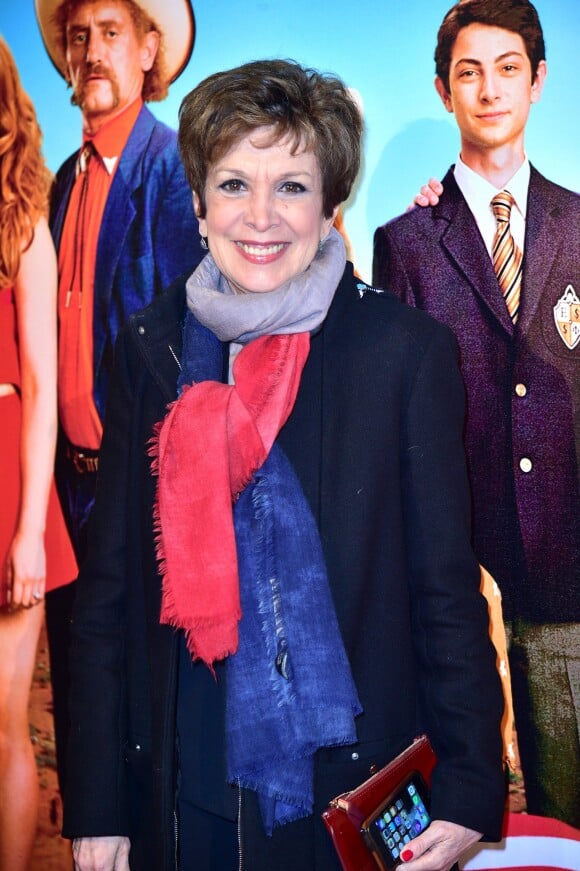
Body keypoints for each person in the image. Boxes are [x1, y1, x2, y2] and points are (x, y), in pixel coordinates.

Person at [62, 59, 505, 871]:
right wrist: (97, 804)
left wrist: (473, 782)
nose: (260, 217)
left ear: (330, 204)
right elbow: (107, 597)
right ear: (197, 205)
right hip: (182, 792)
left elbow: (445, 586)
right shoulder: (149, 350)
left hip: (351, 798)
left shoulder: (403, 354)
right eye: (234, 184)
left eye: (292, 186)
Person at [373, 0, 579, 827]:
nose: (488, 89)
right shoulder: (407, 240)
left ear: (537, 82)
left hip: (566, 563)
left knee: (568, 805)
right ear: (442, 90)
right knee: (470, 809)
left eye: (506, 69)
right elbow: (395, 414)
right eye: (468, 72)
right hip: (458, 563)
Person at [34, 0, 204, 791]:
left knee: (144, 721)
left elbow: (186, 350)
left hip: (140, 492)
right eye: (78, 38)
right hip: (65, 494)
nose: (91, 51)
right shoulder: (59, 185)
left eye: (110, 34)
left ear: (148, 52)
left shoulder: (172, 168)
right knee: (79, 715)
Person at [0, 37, 77, 871]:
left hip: (6, 486)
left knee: (3, 728)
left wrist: (27, 531)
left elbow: (39, 384)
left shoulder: (23, 218)